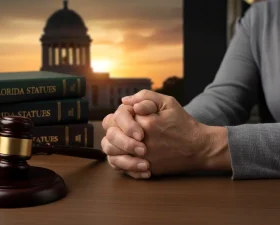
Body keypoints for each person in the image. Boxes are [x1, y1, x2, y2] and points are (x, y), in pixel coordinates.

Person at [101, 0, 280, 180]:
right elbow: (224, 99)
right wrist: (154, 127)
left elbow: (201, 141)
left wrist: (208, 145)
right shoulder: (262, 15)